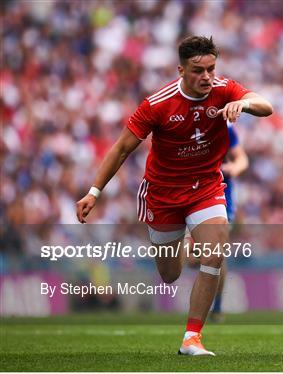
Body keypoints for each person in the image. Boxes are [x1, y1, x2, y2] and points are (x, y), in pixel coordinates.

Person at [76, 36, 272, 356]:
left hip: (206, 186)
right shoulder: (157, 104)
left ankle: (191, 338)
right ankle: (182, 242)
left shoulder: (224, 89)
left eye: (211, 69)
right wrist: (94, 192)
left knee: (214, 251)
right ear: (181, 70)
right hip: (164, 194)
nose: (206, 76)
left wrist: (244, 103)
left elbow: (266, 106)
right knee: (170, 274)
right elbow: (123, 148)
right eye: (198, 70)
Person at [183, 122, 249, 323]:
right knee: (193, 260)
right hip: (188, 195)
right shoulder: (179, 124)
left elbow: (241, 159)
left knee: (215, 255)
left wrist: (233, 168)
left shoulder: (224, 128)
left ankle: (217, 306)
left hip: (220, 197)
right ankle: (212, 299)